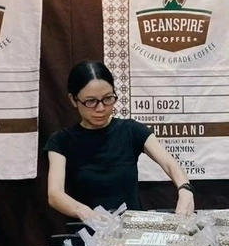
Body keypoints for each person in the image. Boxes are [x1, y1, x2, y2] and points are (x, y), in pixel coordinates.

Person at [44, 60, 196, 220]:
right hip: (87, 233)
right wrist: (86, 213)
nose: (101, 108)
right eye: (91, 102)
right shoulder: (61, 141)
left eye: (108, 98)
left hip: (131, 231)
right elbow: (55, 195)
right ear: (73, 100)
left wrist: (185, 188)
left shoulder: (131, 130)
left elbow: (169, 163)